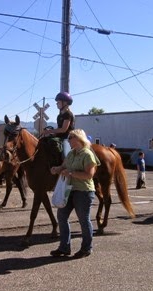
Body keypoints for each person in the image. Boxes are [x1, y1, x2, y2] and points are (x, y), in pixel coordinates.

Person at [49, 129, 99, 259]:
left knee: (83, 219)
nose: (69, 139)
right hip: (69, 189)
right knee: (62, 216)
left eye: (71, 137)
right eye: (69, 137)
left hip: (84, 191)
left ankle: (86, 248)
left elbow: (89, 175)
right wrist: (57, 169)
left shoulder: (87, 154)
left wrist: (71, 173)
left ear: (79, 139)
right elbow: (63, 166)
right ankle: (64, 247)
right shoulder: (71, 153)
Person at [42, 92, 75, 158]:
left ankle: (68, 166)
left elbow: (63, 130)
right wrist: (53, 134)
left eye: (58, 102)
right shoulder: (59, 116)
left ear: (65, 103)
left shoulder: (68, 114)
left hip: (67, 138)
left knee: (65, 155)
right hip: (59, 137)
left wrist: (49, 131)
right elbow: (59, 129)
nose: (57, 103)